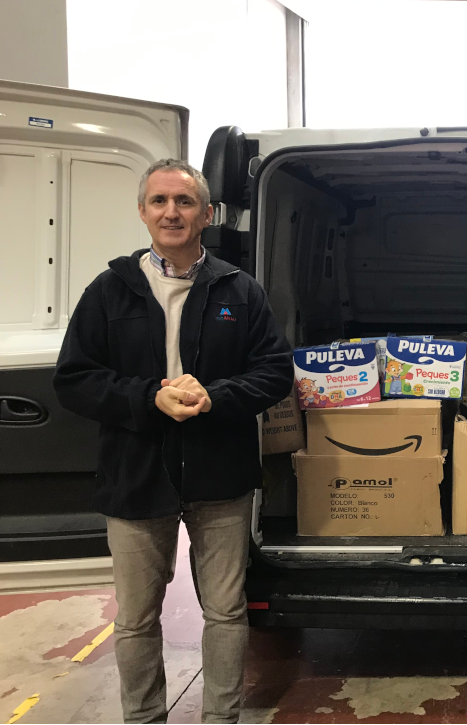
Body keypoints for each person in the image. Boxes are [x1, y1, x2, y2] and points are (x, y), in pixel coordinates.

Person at [53, 158, 293, 724]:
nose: (172, 212)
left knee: (226, 612)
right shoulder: (109, 291)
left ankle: (221, 718)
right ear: (142, 212)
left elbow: (274, 371)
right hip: (136, 475)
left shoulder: (240, 289)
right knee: (136, 617)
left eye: (184, 202)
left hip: (220, 474)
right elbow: (75, 379)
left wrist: (214, 397)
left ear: (206, 214)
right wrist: (145, 399)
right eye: (159, 201)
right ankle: (144, 718)